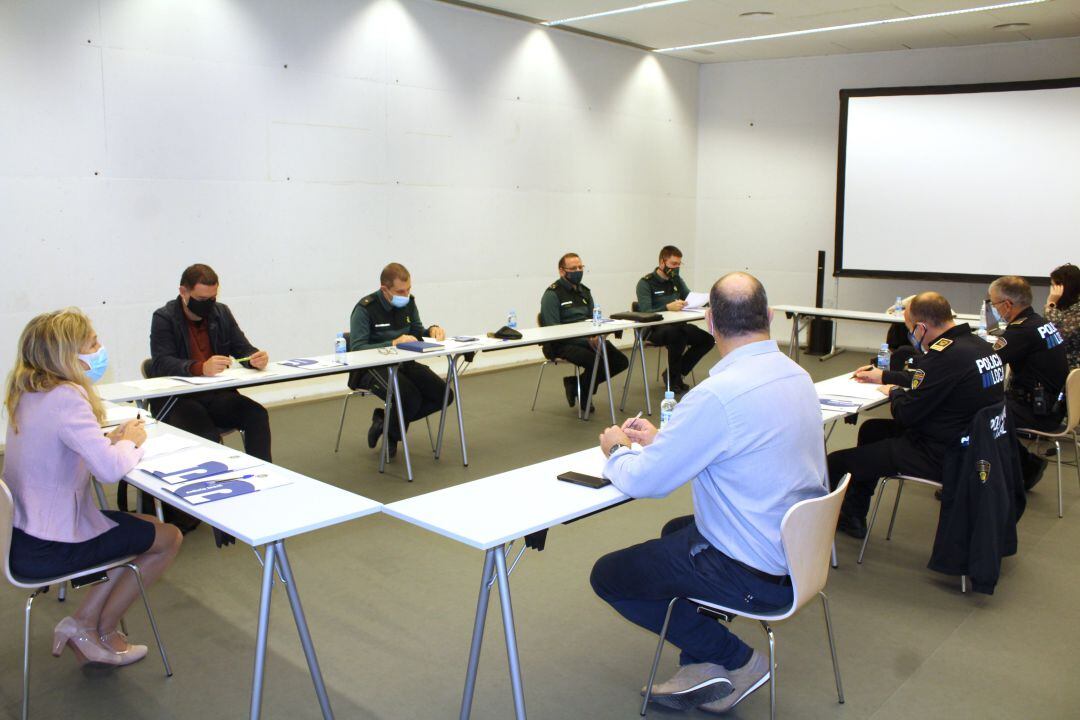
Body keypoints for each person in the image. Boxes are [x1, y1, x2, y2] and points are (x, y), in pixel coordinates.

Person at [590, 272, 826, 713]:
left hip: (753, 568)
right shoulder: (796, 375)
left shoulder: (717, 394)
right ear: (770, 317)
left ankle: (736, 659)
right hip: (797, 550)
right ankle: (700, 662)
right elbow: (740, 444)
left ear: (710, 323)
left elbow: (646, 482)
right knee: (675, 530)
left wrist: (617, 450)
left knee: (609, 576)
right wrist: (666, 439)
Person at [3, 309, 182, 666]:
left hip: (23, 533)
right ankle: (93, 627)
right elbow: (109, 470)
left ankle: (85, 624)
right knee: (167, 538)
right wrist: (129, 441)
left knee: (133, 529)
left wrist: (107, 440)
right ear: (68, 354)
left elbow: (66, 445)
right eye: (93, 343)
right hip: (50, 545)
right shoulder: (67, 397)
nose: (100, 348)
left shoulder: (28, 392)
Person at [828, 292, 1005, 538]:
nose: (910, 335)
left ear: (921, 327)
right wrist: (885, 376)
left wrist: (894, 392)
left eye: (910, 328)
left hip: (940, 453)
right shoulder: (977, 346)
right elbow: (934, 380)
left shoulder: (944, 356)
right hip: (974, 445)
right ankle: (853, 516)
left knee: (835, 462)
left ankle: (822, 529)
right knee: (872, 430)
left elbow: (906, 414)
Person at [148, 263, 273, 462]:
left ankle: (265, 476)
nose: (208, 304)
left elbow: (242, 348)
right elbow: (161, 363)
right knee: (206, 436)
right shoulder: (164, 317)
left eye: (212, 298)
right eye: (201, 299)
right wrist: (200, 368)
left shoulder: (221, 313)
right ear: (183, 292)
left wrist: (255, 358)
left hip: (216, 395)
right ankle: (213, 486)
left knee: (256, 415)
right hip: (179, 399)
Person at [349, 262, 450, 458]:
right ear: (384, 289)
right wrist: (393, 342)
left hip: (405, 363)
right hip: (371, 368)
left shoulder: (409, 302)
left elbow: (416, 332)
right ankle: (392, 435)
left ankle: (385, 424)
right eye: (400, 291)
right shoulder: (365, 309)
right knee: (409, 397)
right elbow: (357, 349)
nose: (405, 295)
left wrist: (432, 330)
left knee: (444, 395)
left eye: (408, 289)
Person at [987, 275, 1068, 489]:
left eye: (992, 303)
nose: (992, 308)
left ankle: (975, 482)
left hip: (1037, 411)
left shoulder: (1021, 331)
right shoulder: (1040, 323)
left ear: (1007, 305)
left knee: (976, 413)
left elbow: (985, 363)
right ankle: (1027, 467)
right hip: (1053, 406)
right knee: (989, 409)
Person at [540, 252, 629, 410]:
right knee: (597, 361)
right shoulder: (552, 294)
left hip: (587, 341)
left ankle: (577, 385)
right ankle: (584, 394)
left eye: (580, 267)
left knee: (620, 361)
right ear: (562, 271)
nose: (578, 271)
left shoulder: (585, 292)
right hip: (560, 344)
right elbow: (554, 332)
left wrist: (596, 335)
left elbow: (592, 320)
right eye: (573, 268)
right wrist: (587, 340)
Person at [635, 245, 713, 392]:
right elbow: (645, 313)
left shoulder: (676, 280)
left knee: (707, 340)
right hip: (654, 329)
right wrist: (667, 308)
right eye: (673, 264)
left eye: (679, 264)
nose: (676, 268)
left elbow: (689, 297)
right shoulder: (645, 283)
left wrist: (707, 301)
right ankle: (673, 379)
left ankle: (676, 373)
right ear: (662, 263)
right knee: (679, 335)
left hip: (678, 325)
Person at [1045, 263, 1080, 370]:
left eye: (1054, 286)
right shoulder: (1068, 307)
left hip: (1072, 370)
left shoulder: (1077, 311)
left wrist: (1051, 303)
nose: (1052, 290)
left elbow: (1054, 336)